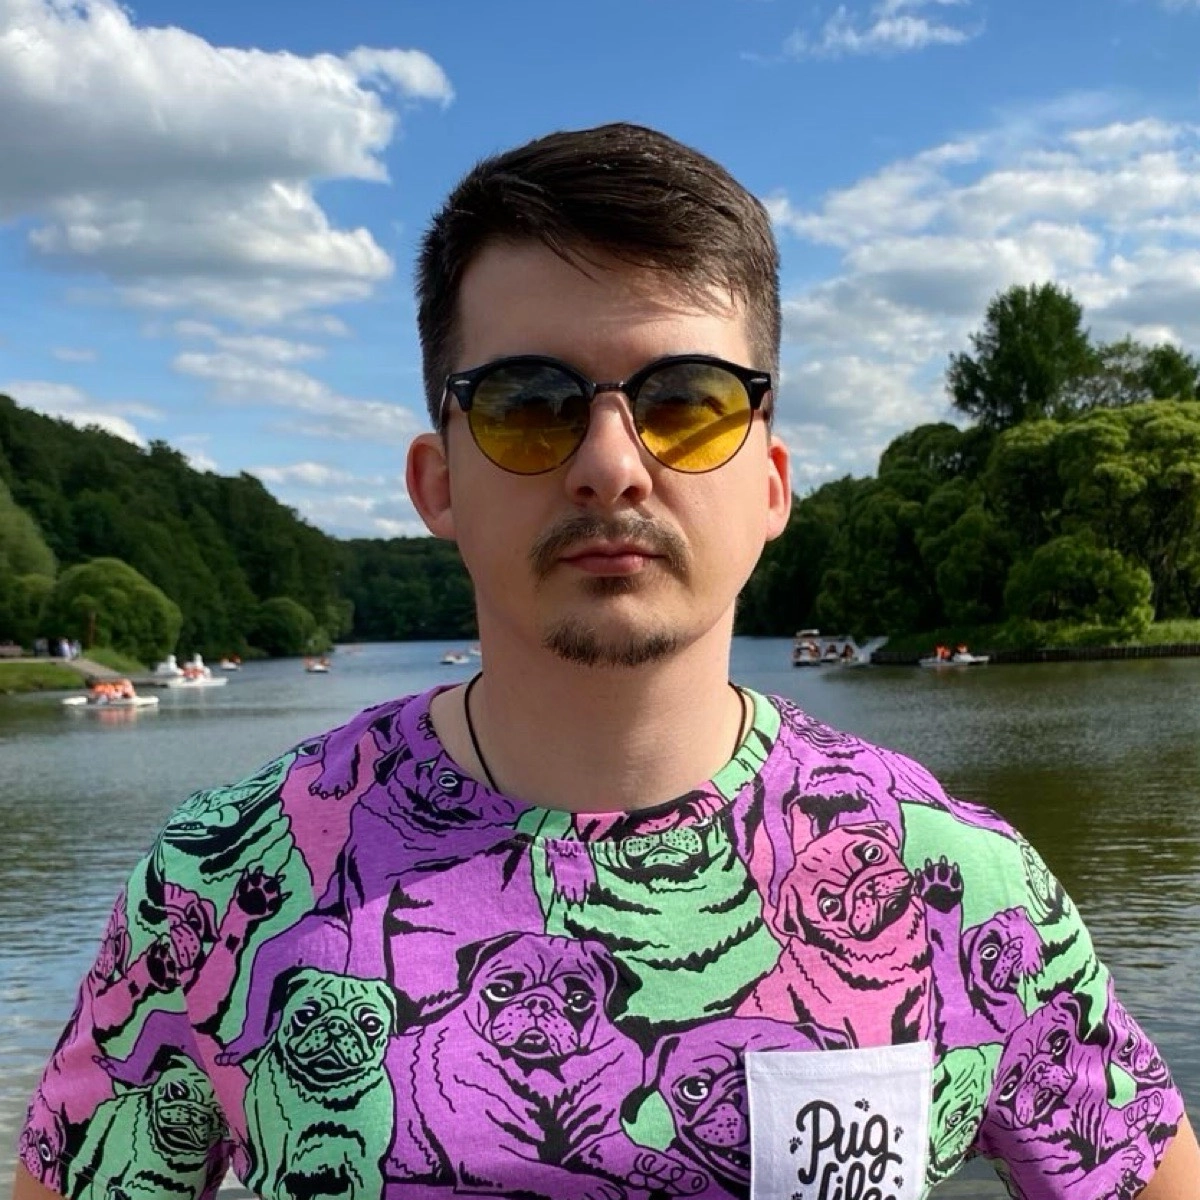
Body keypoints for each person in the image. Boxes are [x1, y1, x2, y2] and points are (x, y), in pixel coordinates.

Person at [13, 123, 1198, 1200]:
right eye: (529, 404)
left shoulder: (949, 883)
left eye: (688, 402)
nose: (611, 465)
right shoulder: (227, 881)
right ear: (437, 482)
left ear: (771, 484)